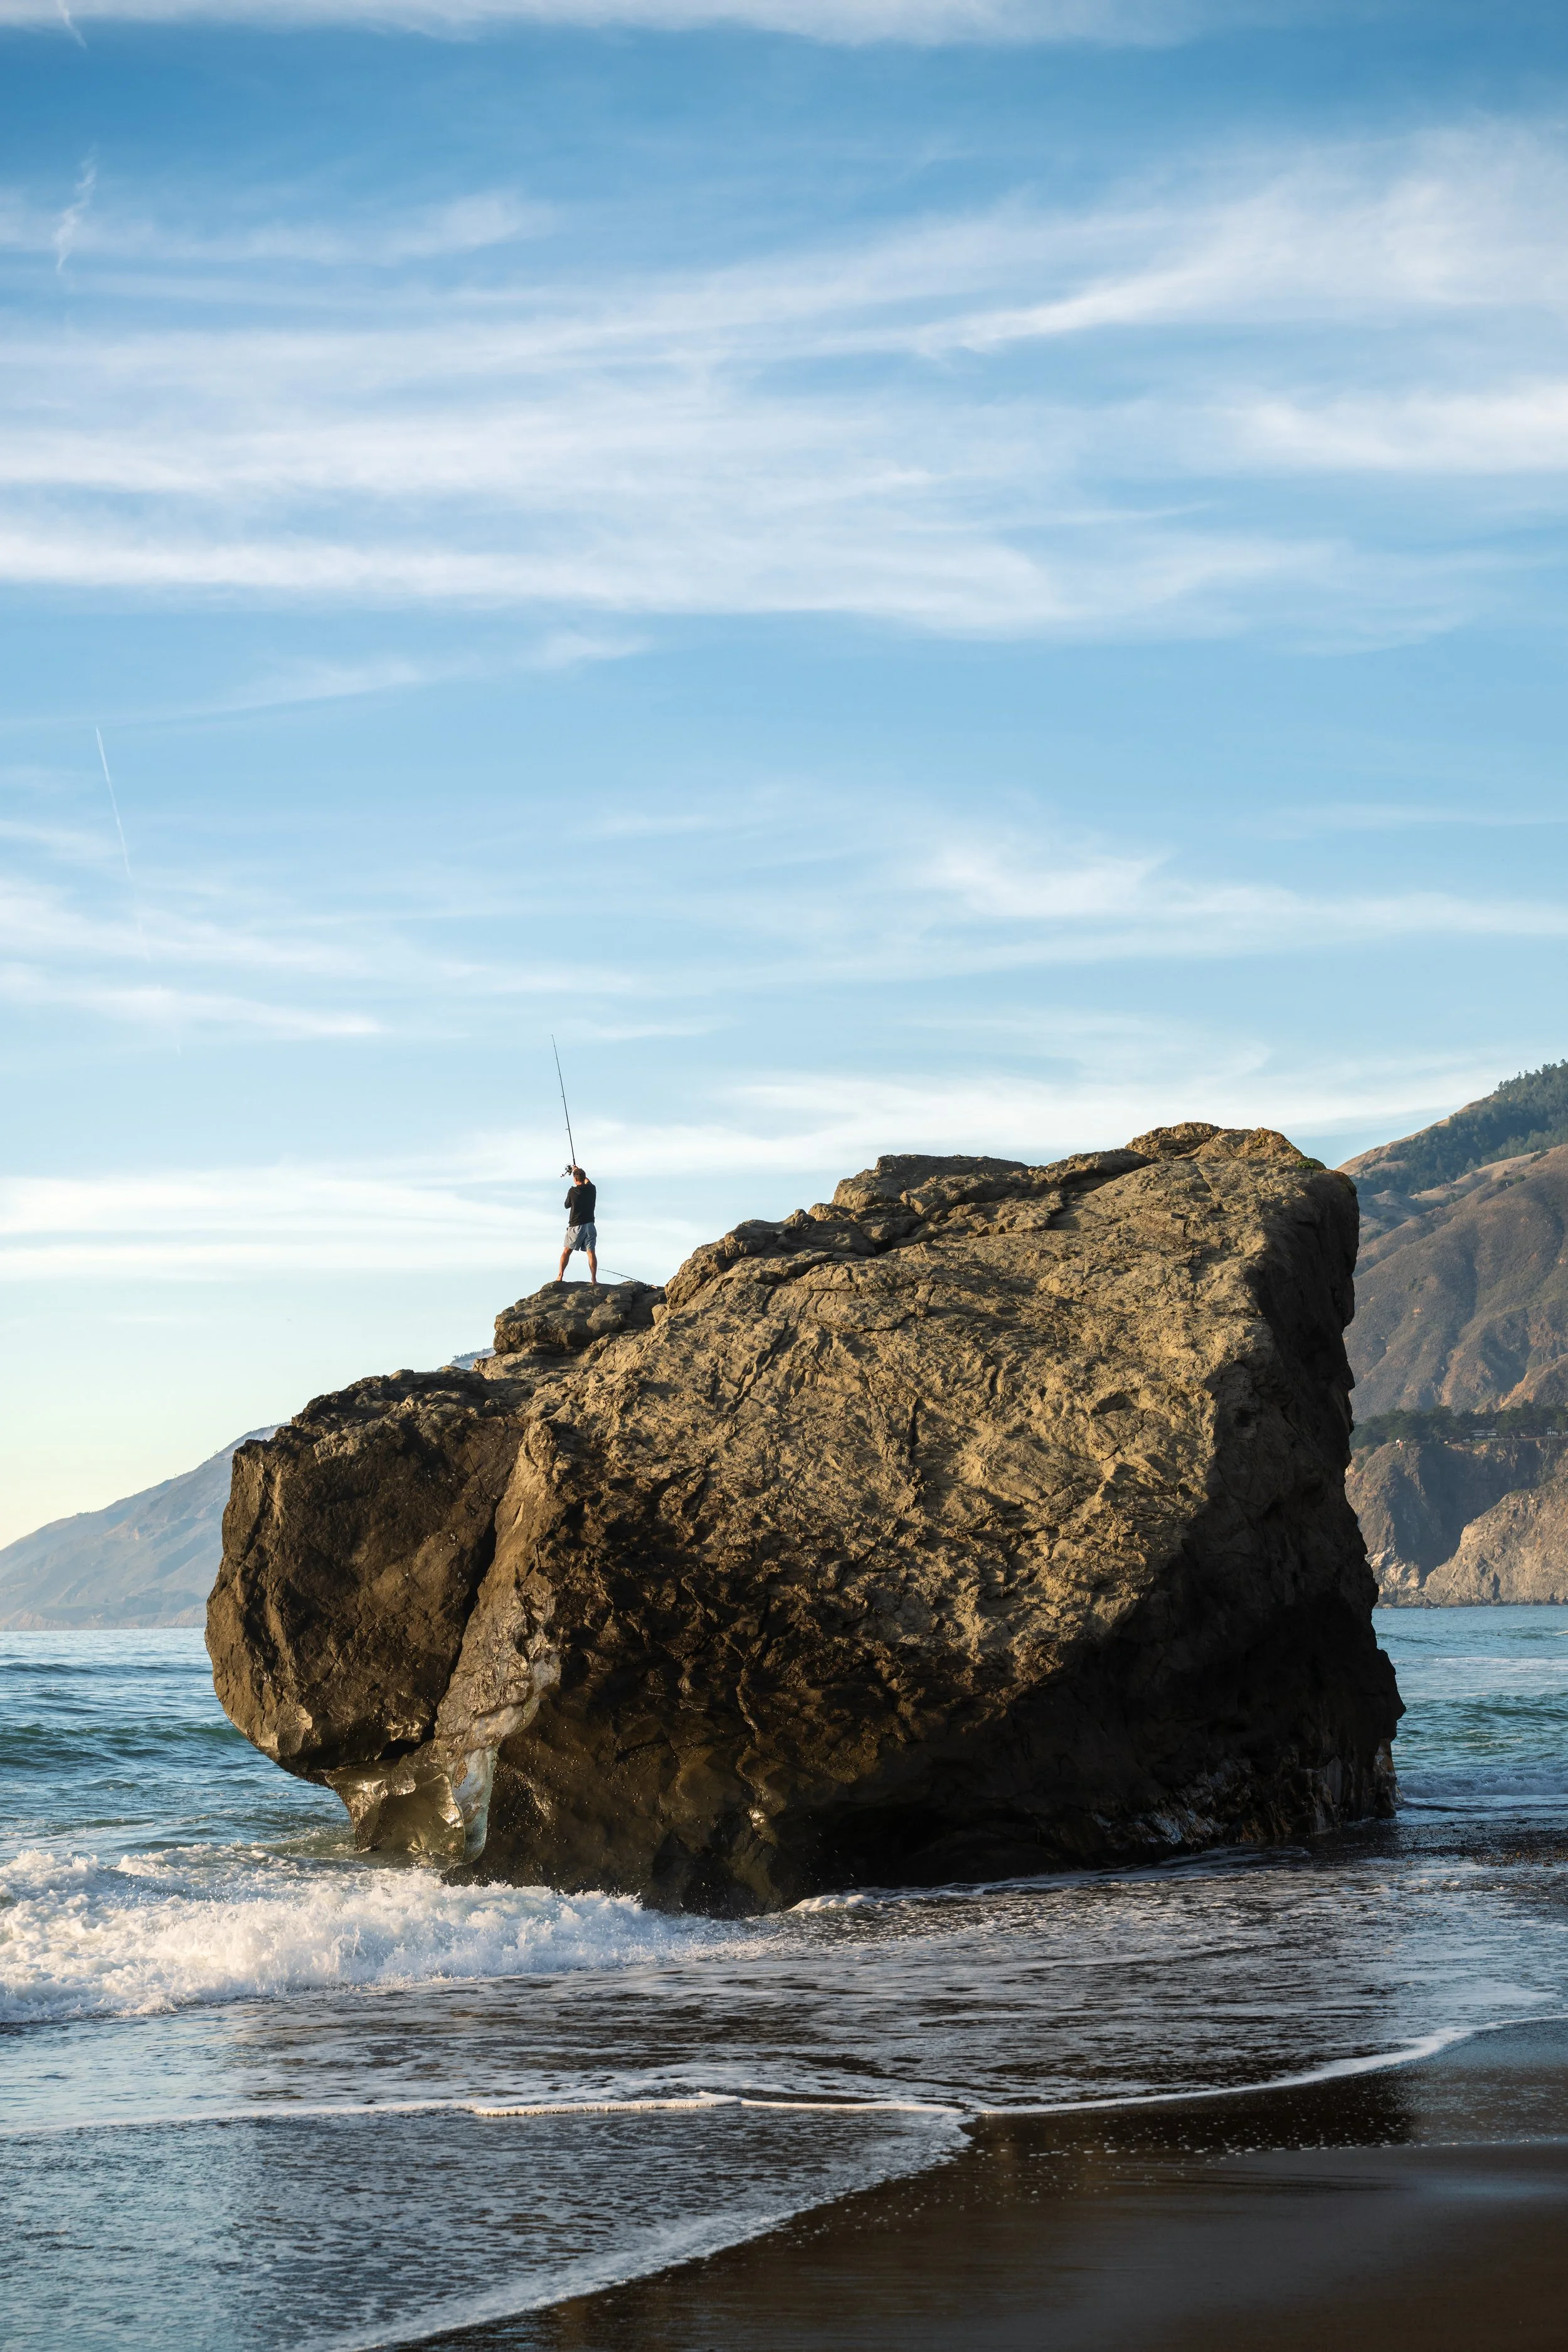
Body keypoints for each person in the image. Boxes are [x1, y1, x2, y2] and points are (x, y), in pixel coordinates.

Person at [557, 1165, 599, 1286]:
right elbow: (588, 1181)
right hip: (590, 1226)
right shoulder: (592, 1189)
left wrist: (575, 1172)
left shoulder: (572, 1191)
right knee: (591, 1253)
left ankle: (560, 1275)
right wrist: (578, 1170)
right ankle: (594, 1280)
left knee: (566, 1251)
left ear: (575, 1180)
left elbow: (567, 1205)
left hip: (576, 1226)